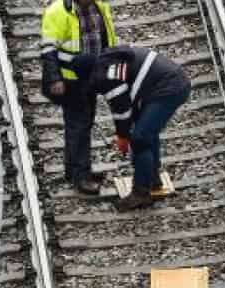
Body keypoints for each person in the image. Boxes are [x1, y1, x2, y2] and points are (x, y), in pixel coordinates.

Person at [73, 46, 191, 210]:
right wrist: (125, 131)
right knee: (145, 130)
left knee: (140, 137)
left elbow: (122, 110)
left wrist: (123, 136)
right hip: (165, 82)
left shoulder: (106, 76)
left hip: (170, 87)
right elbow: (128, 103)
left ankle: (141, 193)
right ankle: (152, 178)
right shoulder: (107, 60)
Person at [39, 0, 118, 195]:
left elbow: (106, 38)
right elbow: (48, 49)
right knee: (79, 125)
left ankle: (74, 169)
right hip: (70, 80)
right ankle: (81, 176)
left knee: (85, 121)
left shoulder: (99, 7)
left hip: (91, 75)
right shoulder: (58, 12)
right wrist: (55, 78)